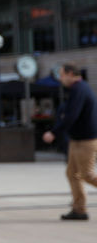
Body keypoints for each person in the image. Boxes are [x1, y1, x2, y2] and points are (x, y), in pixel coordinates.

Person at [42, 63, 97, 220]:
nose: (60, 79)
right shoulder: (78, 89)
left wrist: (54, 132)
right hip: (77, 139)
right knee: (72, 173)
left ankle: (79, 209)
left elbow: (72, 115)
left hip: (86, 140)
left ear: (71, 74)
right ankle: (79, 210)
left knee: (87, 175)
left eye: (62, 75)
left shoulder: (79, 89)